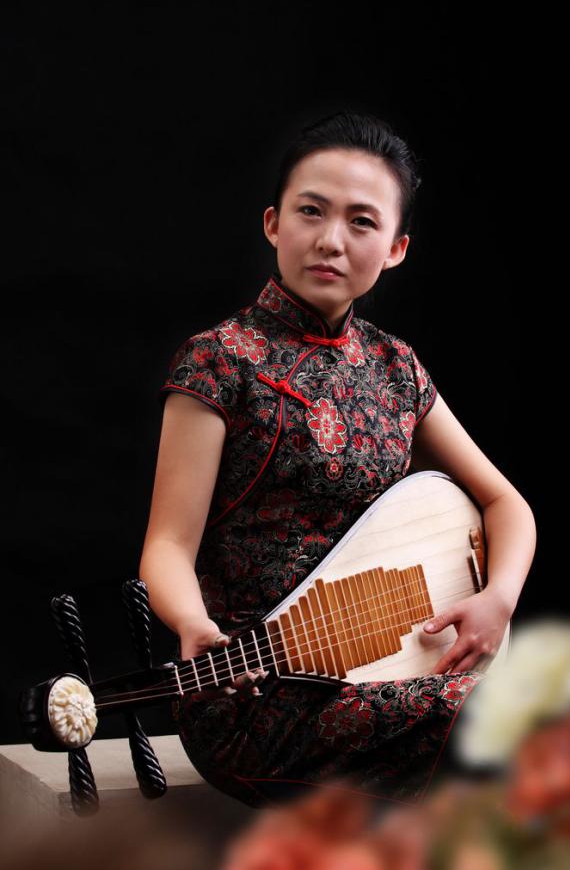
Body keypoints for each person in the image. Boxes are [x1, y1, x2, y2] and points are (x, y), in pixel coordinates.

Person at [139, 111, 536, 808]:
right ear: (273, 224)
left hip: (391, 670)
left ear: (396, 248)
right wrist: (193, 623)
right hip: (258, 696)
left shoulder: (395, 367)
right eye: (311, 211)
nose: (330, 240)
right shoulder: (219, 362)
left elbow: (507, 504)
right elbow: (168, 545)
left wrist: (497, 599)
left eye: (361, 222)